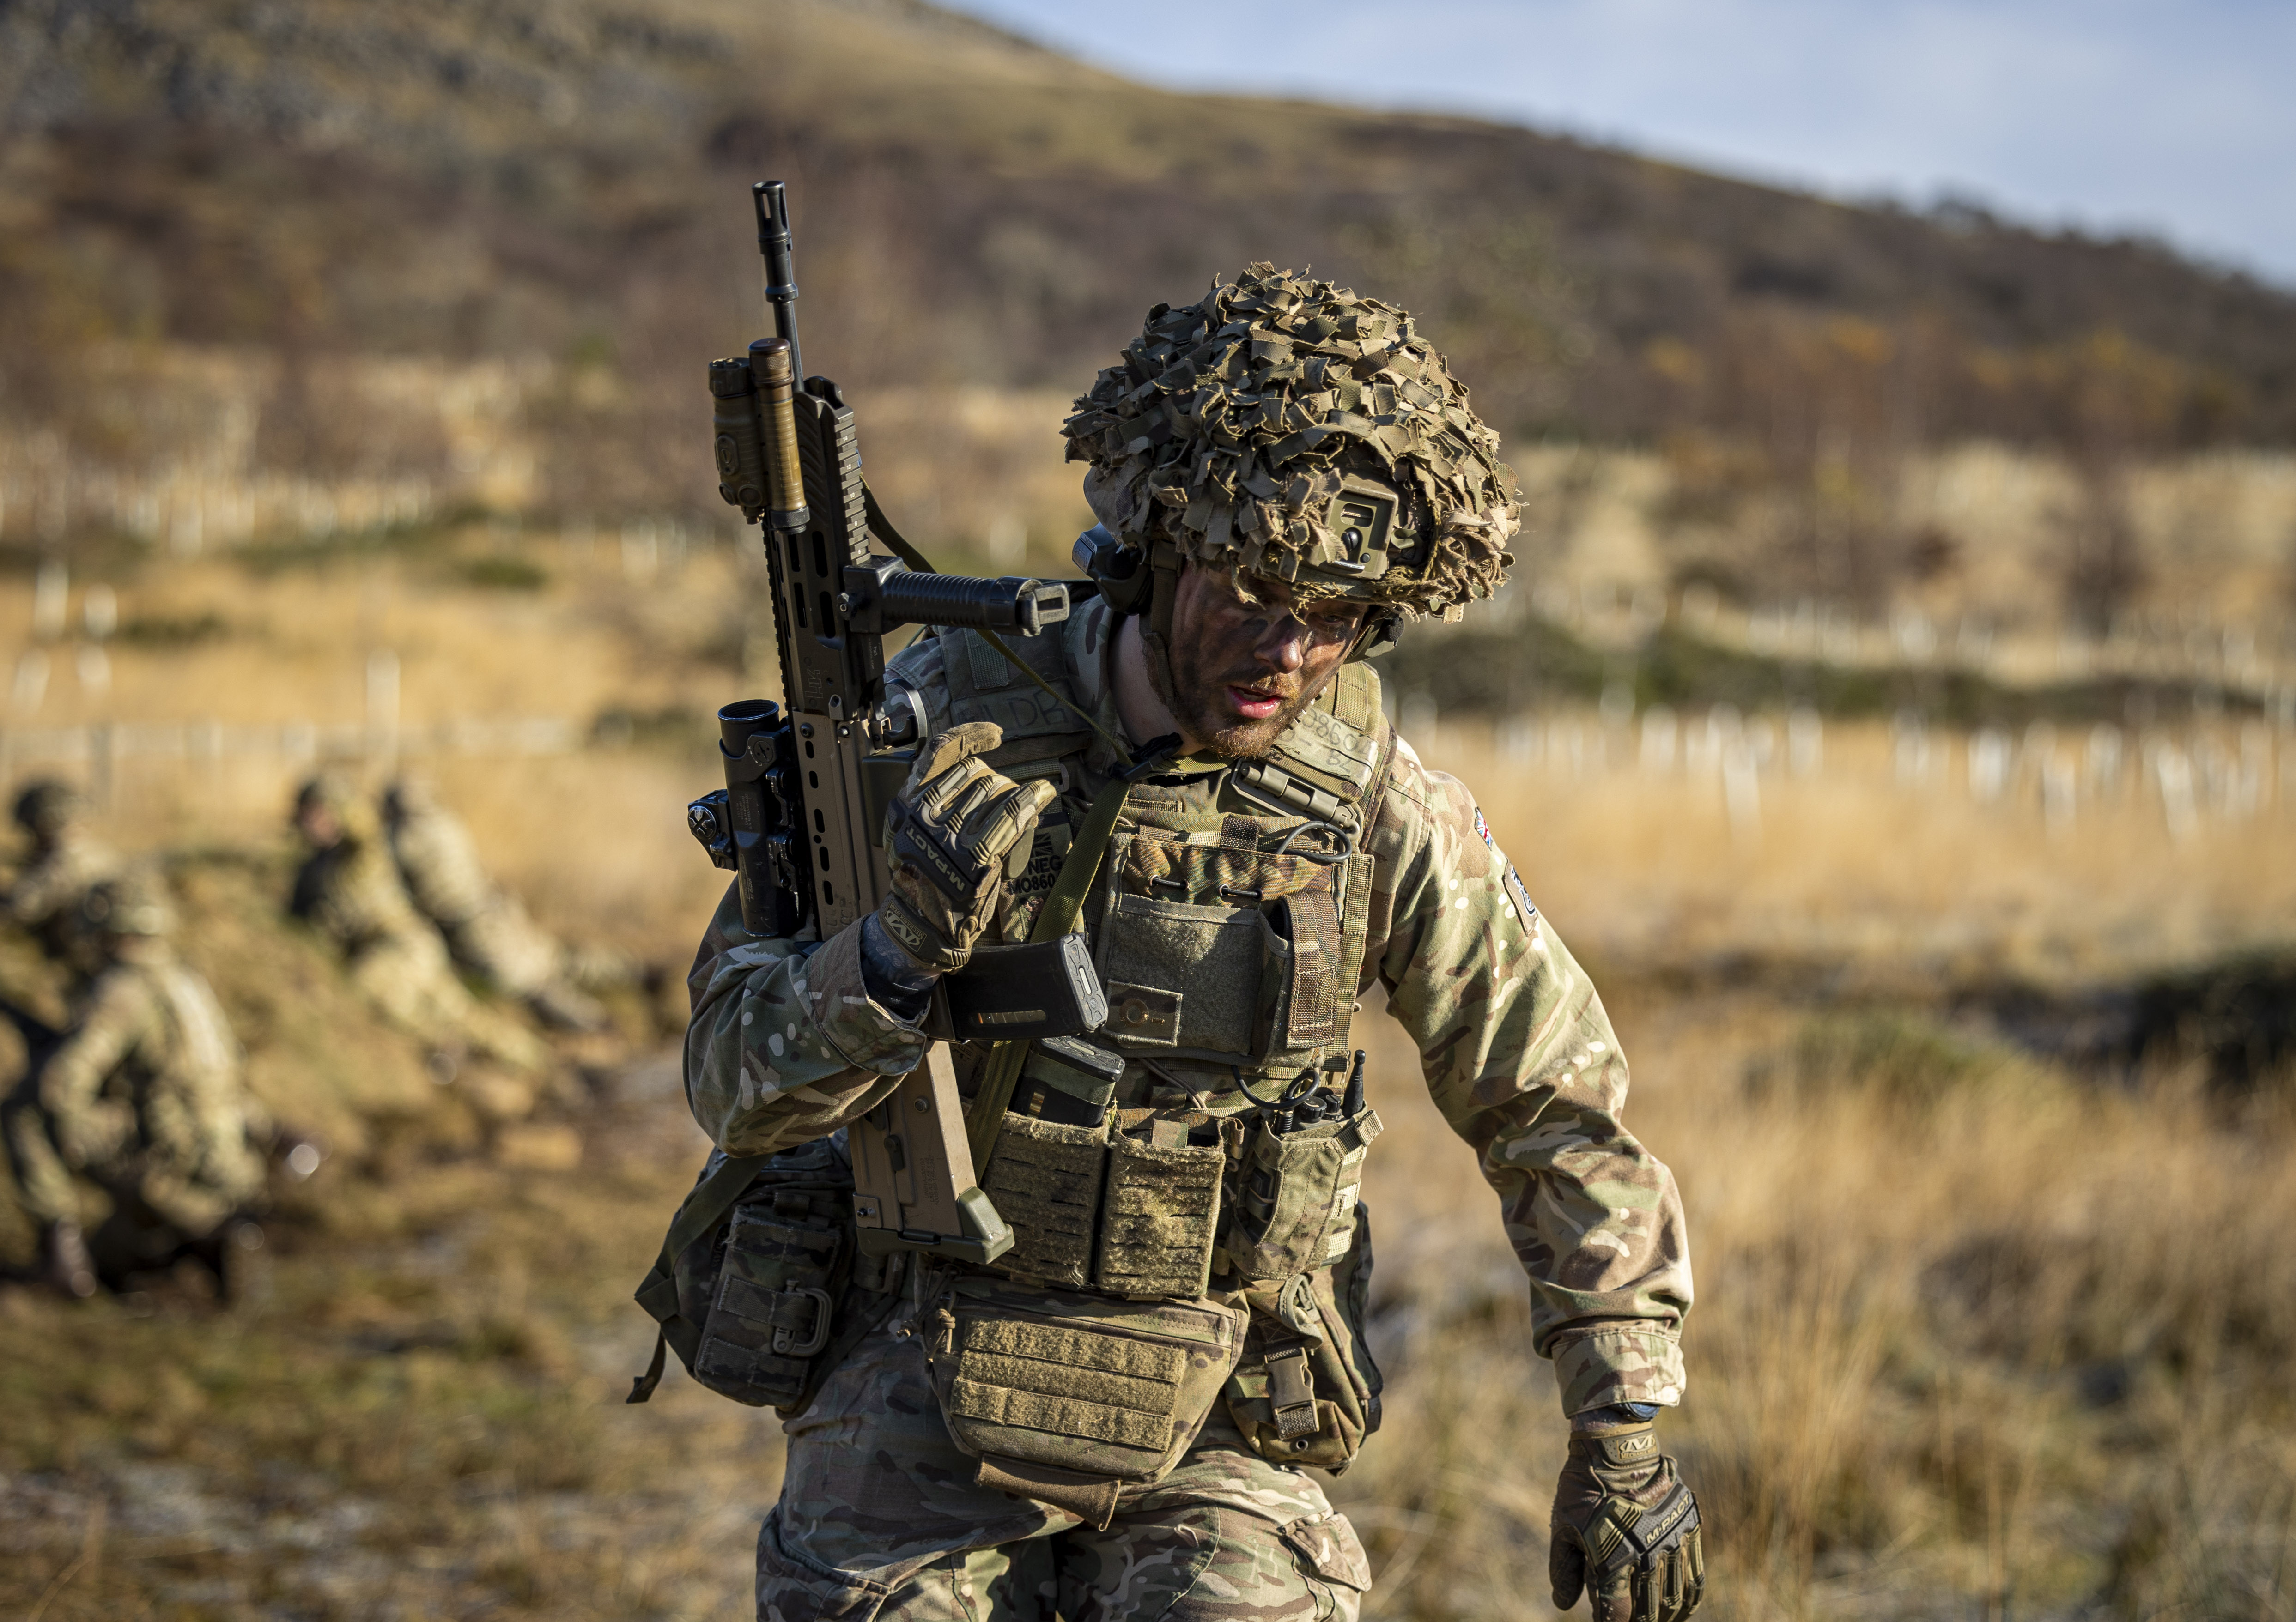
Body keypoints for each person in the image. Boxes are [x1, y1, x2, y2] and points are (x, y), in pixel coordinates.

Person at [680, 267, 1702, 1621]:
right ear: (1156, 547)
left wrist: (1620, 1418)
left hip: (1221, 1390)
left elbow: (1552, 1094)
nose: (1290, 649)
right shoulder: (923, 738)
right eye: (1255, 586)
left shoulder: (1369, 801)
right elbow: (733, 1080)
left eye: (1339, 614)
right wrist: (886, 958)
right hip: (917, 1361)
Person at [1, 872, 268, 1300]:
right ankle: (196, 1235)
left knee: (23, 1111)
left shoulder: (122, 990)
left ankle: (60, 1257)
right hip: (226, 1150)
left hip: (170, 1150)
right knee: (113, 1262)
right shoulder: (184, 980)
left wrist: (75, 1129)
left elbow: (63, 1082)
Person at [289, 774, 547, 1081]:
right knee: (458, 1013)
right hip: (404, 948)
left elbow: (366, 830)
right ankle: (505, 1058)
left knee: (381, 987)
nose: (314, 823)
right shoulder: (314, 869)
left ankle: (532, 1061)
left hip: (405, 945)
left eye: (321, 813)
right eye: (308, 814)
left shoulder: (365, 851)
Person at [381, 776, 616, 1032]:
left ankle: (596, 1024)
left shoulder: (406, 838)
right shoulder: (446, 822)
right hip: (496, 905)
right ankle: (633, 973)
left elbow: (383, 865)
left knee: (531, 986)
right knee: (556, 960)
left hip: (472, 926)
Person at [4, 779, 122, 966]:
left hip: (83, 962)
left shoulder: (58, 866)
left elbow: (17, 910)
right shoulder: (103, 854)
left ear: (41, 826)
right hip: (108, 951)